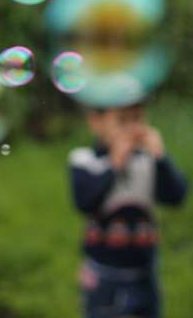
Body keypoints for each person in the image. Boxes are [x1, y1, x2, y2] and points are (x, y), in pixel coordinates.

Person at [69, 101, 188, 318]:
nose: (133, 128)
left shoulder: (148, 162)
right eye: (123, 120)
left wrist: (161, 158)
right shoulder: (84, 160)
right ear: (96, 123)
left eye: (138, 119)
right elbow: (85, 203)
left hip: (145, 274)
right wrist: (115, 164)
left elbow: (176, 197)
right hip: (104, 277)